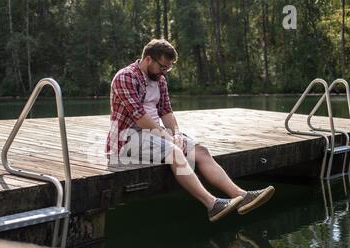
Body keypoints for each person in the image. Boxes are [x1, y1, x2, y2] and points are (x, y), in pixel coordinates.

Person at [106, 39, 275, 222]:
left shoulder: (160, 80)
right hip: (128, 138)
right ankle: (212, 204)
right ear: (148, 59)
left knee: (201, 151)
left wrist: (176, 133)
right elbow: (139, 116)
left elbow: (166, 111)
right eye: (163, 67)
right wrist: (168, 138)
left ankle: (242, 196)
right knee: (175, 152)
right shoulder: (126, 77)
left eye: (168, 68)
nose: (165, 72)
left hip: (156, 135)